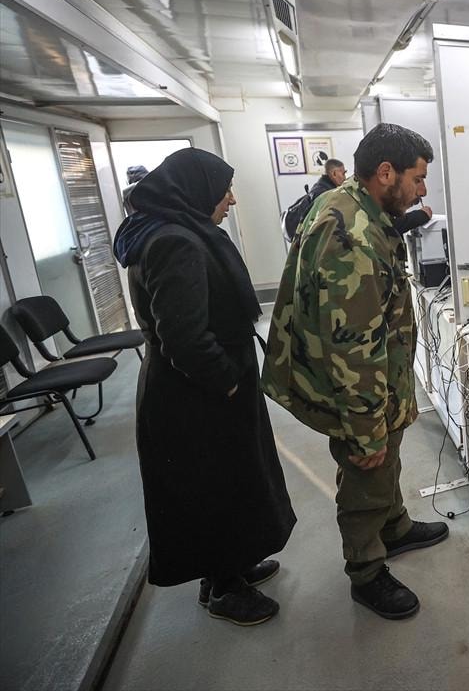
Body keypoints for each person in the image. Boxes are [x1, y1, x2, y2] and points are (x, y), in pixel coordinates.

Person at [262, 123, 448, 620]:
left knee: (388, 459)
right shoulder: (352, 240)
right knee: (367, 467)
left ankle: (394, 526)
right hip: (356, 383)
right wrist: (366, 432)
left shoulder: (348, 202)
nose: (422, 190)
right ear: (386, 173)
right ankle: (366, 571)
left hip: (377, 377)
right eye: (417, 178)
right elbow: (353, 350)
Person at [113, 148, 295, 626]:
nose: (231, 199)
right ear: (195, 190)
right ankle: (224, 589)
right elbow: (184, 336)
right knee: (214, 486)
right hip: (196, 394)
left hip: (191, 387)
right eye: (223, 190)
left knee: (226, 480)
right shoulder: (177, 243)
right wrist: (228, 381)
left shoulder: (163, 230)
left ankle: (228, 567)